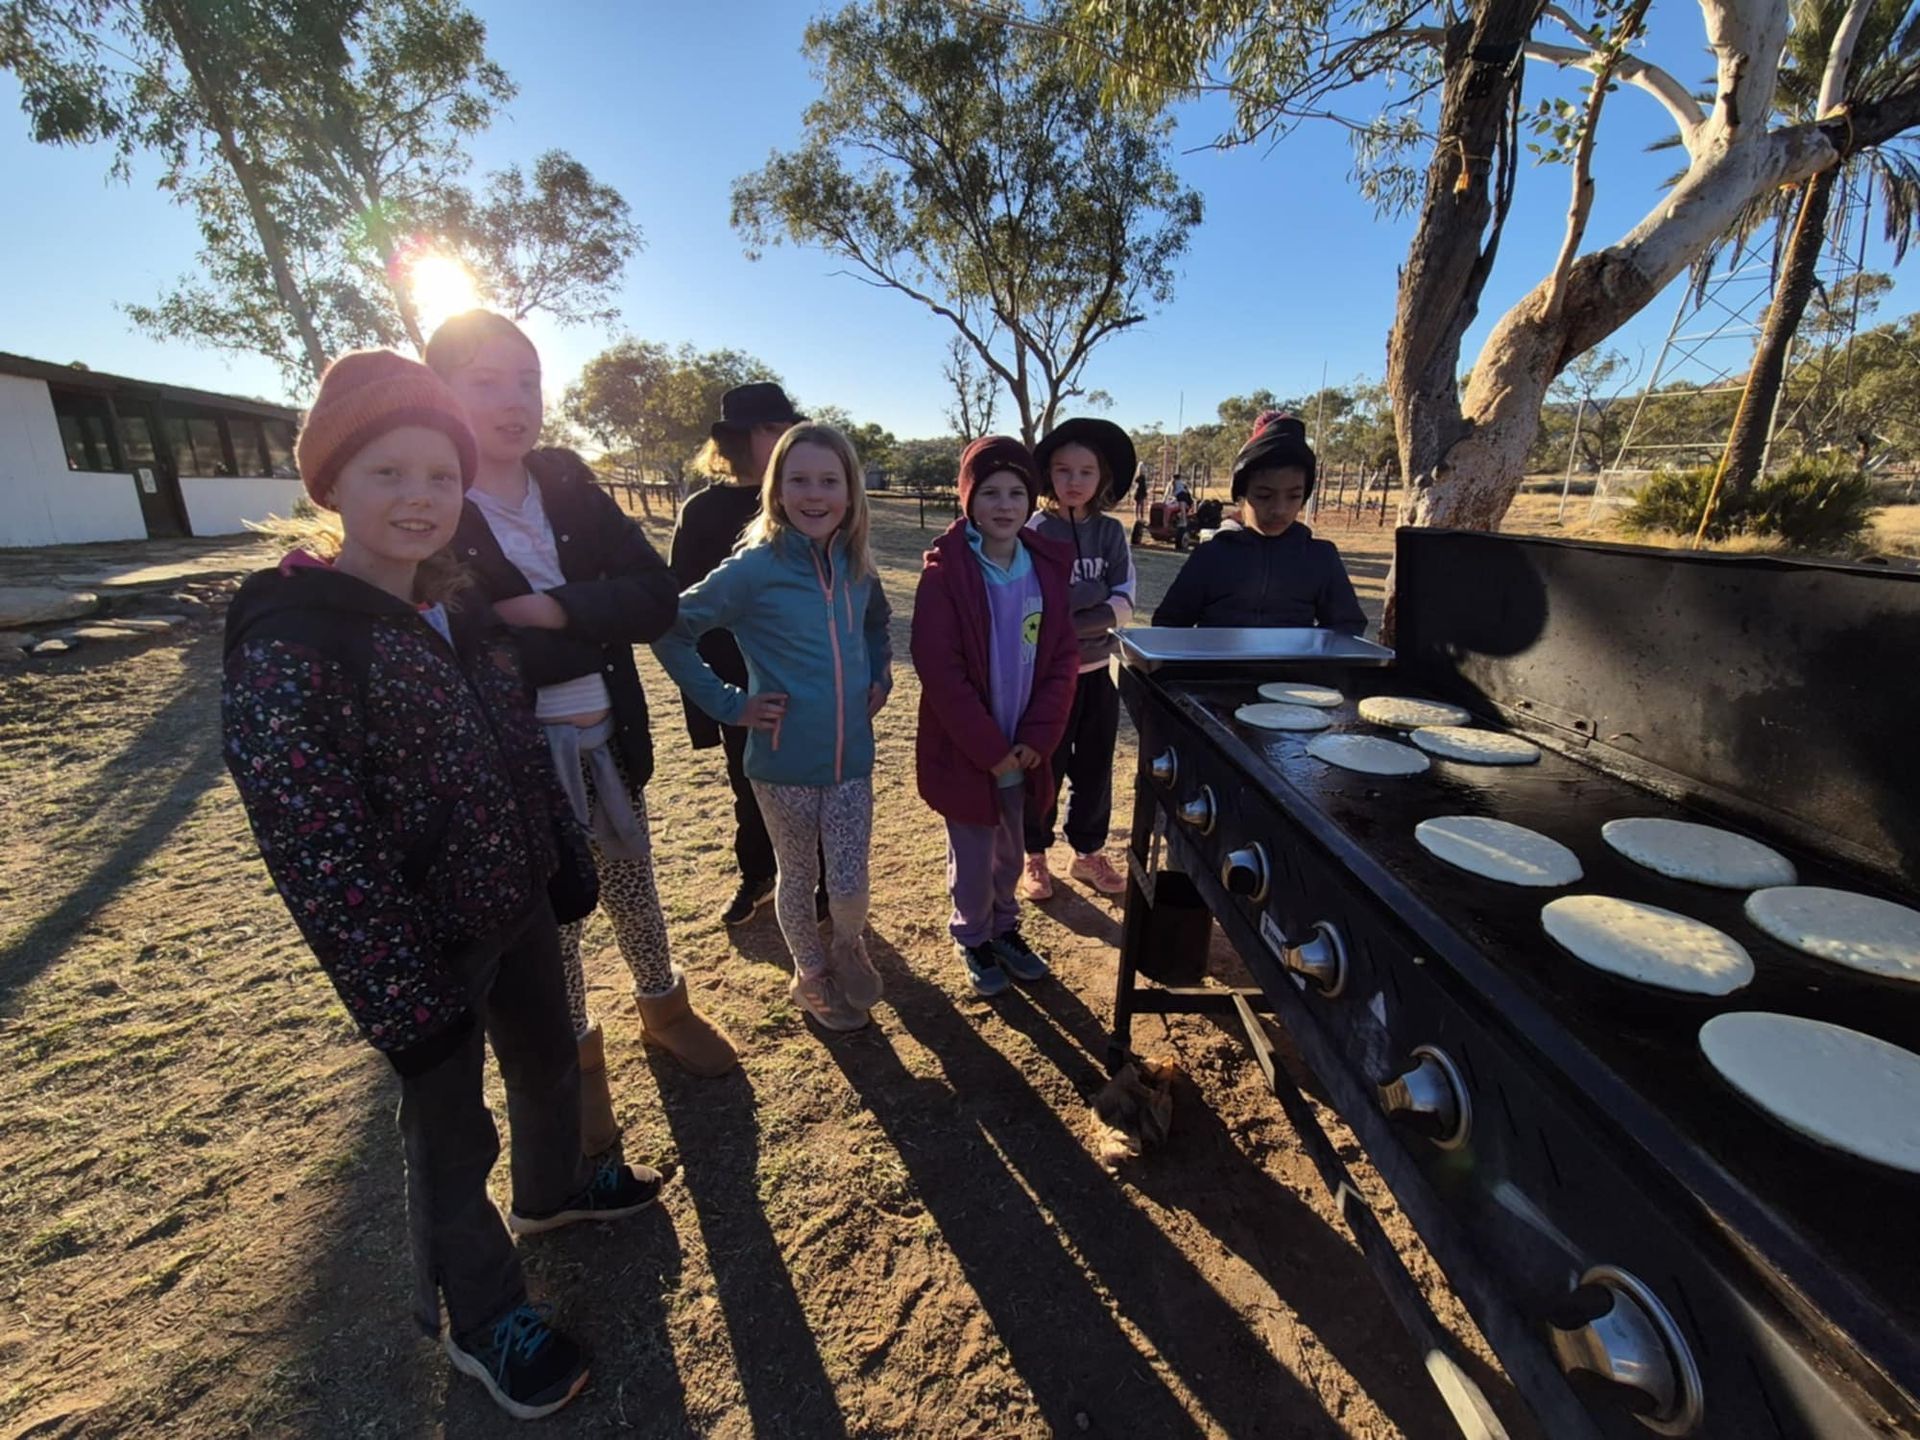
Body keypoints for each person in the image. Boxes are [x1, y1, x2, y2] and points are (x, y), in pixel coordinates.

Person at [221, 350, 661, 1421]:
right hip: (425, 952)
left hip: (511, 900)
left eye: (437, 476)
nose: (418, 499)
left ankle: (556, 1193)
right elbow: (321, 852)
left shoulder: (456, 608)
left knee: (551, 1064)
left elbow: (515, 742)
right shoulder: (295, 641)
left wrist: (558, 857)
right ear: (330, 483)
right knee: (451, 1133)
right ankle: (481, 1318)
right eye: (387, 474)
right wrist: (403, 1004)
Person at [428, 312, 738, 1152]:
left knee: (634, 883)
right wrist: (585, 623)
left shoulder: (564, 478)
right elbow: (469, 645)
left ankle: (664, 1008)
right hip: (520, 764)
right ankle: (580, 1066)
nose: (512, 400)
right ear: (444, 392)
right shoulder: (438, 501)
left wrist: (554, 607)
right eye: (485, 382)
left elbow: (656, 594)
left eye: (525, 379)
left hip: (610, 739)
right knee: (554, 921)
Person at [653, 424, 894, 1032]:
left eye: (829, 481)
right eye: (799, 480)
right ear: (777, 490)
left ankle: (846, 944)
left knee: (850, 879)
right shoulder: (753, 569)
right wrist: (730, 704)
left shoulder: (856, 561)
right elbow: (671, 630)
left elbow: (876, 623)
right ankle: (810, 977)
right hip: (782, 762)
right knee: (800, 875)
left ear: (851, 491)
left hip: (851, 759)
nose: (815, 494)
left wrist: (880, 674)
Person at [912, 437, 1080, 995]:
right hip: (972, 750)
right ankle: (974, 935)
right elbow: (941, 671)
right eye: (989, 493)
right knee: (974, 848)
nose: (1004, 505)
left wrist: (1037, 737)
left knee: (1012, 847)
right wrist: (988, 748)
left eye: (1016, 492)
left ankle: (1005, 927)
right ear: (968, 499)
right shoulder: (946, 575)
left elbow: (1061, 658)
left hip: (1023, 748)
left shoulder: (1048, 570)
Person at [668, 383, 809, 927]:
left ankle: (815, 885)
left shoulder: (802, 498)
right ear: (736, 440)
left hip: (804, 678)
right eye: (769, 429)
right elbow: (683, 609)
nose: (781, 439)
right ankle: (756, 875)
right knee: (747, 782)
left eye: (783, 427)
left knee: (810, 786)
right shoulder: (703, 511)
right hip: (737, 684)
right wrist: (712, 706)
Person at [1018, 418, 1137, 901]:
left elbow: (1125, 605)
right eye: (1063, 470)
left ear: (1102, 478)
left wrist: (1069, 612)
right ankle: (1034, 854)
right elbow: (1028, 612)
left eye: (1086, 471)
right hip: (1044, 682)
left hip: (1095, 677)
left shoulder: (1111, 533)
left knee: (1094, 769)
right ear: (1048, 474)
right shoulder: (1030, 531)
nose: (1074, 481)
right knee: (1042, 768)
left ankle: (1086, 854)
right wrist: (1091, 599)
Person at [1154, 412, 1367, 632]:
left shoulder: (1321, 558)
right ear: (1241, 497)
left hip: (1296, 667)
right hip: (1217, 667)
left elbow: (1347, 627)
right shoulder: (1211, 556)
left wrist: (1313, 659)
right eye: (1264, 496)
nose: (1279, 510)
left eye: (1294, 496)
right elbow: (1169, 625)